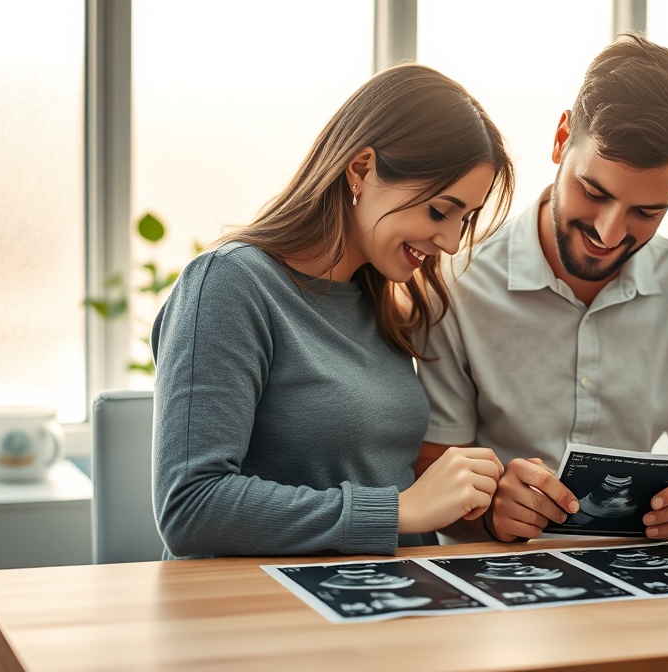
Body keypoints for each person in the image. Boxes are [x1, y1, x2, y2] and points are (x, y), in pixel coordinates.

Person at [151, 64, 515, 559]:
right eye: (439, 210)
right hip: (273, 598)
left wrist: (487, 504)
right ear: (361, 169)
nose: (451, 242)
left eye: (464, 219)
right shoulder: (230, 283)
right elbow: (191, 507)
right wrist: (398, 511)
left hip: (392, 589)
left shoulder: (378, 301)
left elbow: (382, 479)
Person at [416, 34, 668, 544]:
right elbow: (427, 473)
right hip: (498, 572)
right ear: (562, 139)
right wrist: (488, 512)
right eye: (594, 191)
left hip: (638, 572)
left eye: (646, 212)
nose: (609, 232)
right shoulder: (456, 282)